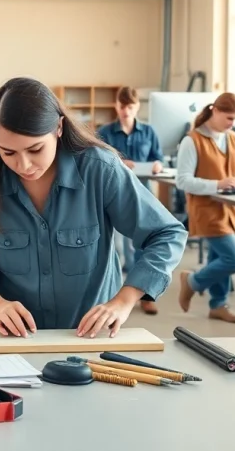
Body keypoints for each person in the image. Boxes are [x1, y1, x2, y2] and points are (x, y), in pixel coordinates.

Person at [0, 77, 187, 338]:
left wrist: (124, 300)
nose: (24, 165)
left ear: (58, 127)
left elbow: (167, 234)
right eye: (8, 152)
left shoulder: (100, 171)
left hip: (83, 338)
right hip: (1, 340)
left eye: (35, 149)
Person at [175, 92, 235, 324]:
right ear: (215, 111)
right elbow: (183, 181)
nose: (233, 124)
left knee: (218, 257)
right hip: (207, 211)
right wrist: (217, 184)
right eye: (229, 118)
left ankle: (218, 305)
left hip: (231, 209)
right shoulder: (192, 140)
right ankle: (192, 282)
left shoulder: (234, 139)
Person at [95, 86, 164, 314]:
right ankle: (114, 295)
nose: (126, 110)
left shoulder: (148, 132)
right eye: (122, 106)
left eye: (130, 106)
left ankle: (144, 295)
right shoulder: (105, 132)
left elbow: (158, 158)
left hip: (143, 192)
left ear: (137, 107)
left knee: (142, 244)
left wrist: (156, 165)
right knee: (115, 247)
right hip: (113, 194)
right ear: (117, 106)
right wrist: (119, 165)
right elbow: (97, 160)